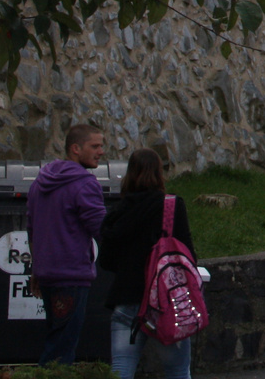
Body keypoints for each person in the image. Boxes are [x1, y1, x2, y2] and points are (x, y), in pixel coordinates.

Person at [98, 148, 196, 379]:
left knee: (122, 368)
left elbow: (107, 261)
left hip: (126, 299)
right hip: (165, 302)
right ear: (159, 173)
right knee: (177, 370)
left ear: (130, 174)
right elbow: (187, 254)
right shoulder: (171, 207)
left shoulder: (118, 212)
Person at [26, 123, 107, 365]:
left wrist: (36, 268)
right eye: (94, 146)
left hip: (48, 274)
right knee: (61, 350)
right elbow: (102, 230)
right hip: (72, 275)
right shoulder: (85, 184)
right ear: (75, 148)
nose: (101, 151)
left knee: (56, 339)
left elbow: (32, 229)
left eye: (102, 145)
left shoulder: (39, 182)